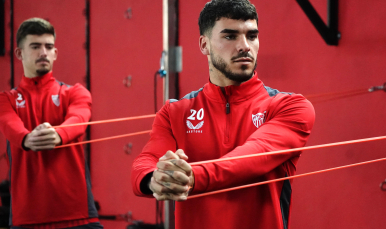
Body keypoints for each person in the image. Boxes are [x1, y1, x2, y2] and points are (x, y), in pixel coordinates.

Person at [131, 0, 315, 229]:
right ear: (204, 44)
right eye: (230, 36)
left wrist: (191, 177)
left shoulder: (289, 106)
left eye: (252, 36)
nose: (244, 46)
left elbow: (251, 158)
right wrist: (154, 179)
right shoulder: (175, 112)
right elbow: (145, 163)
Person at [0, 18, 102, 229]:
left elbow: (78, 119)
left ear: (55, 53)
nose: (43, 53)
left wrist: (57, 135)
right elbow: (12, 127)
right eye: (35, 47)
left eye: (48, 47)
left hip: (78, 215)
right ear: (20, 53)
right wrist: (28, 138)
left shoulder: (75, 92)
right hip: (27, 218)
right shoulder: (6, 100)